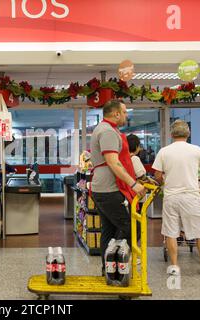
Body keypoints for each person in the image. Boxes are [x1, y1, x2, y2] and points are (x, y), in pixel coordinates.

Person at [152, 120, 200, 276]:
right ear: (188, 133)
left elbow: (157, 175)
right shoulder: (196, 150)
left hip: (171, 196)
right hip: (191, 196)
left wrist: (165, 182)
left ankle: (174, 266)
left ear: (171, 134)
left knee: (170, 232)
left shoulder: (164, 151)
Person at [90, 100, 146, 273]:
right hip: (109, 189)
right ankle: (117, 265)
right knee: (132, 228)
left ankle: (109, 270)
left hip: (103, 189)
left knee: (109, 230)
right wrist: (134, 184)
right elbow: (114, 163)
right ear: (115, 114)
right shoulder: (107, 131)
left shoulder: (108, 129)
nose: (126, 115)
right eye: (124, 112)